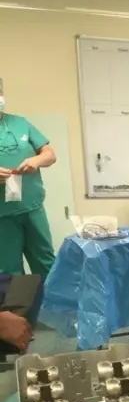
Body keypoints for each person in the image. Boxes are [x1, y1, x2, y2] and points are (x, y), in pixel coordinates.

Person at [0, 77, 57, 280]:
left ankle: (51, 308)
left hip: (31, 207)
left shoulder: (20, 123)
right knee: (9, 270)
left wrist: (37, 160)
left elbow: (50, 154)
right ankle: (18, 310)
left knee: (45, 261)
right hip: (3, 216)